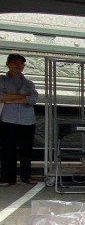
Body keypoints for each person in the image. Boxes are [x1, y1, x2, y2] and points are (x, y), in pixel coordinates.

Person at [0, 53, 39, 186]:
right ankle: (7, 177)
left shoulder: (29, 83)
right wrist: (22, 97)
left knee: (26, 150)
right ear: (8, 64)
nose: (19, 65)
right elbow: (2, 97)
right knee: (7, 149)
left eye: (22, 63)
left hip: (28, 120)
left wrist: (11, 99)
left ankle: (25, 176)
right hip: (8, 119)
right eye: (15, 62)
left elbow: (33, 99)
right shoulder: (2, 80)